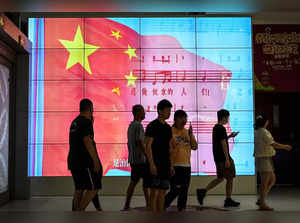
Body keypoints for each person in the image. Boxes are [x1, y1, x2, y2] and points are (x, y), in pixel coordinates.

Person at [196, 109, 240, 208]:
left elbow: (222, 140)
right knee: (229, 177)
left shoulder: (216, 128)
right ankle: (227, 199)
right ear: (224, 117)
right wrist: (227, 159)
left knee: (222, 178)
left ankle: (204, 191)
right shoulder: (221, 128)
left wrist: (229, 136)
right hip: (223, 158)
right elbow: (223, 143)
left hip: (218, 157)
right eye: (227, 117)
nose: (228, 119)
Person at [68, 98, 103, 211]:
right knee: (94, 187)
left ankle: (75, 212)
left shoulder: (75, 122)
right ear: (90, 109)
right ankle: (80, 211)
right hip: (84, 161)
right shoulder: (86, 122)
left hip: (73, 160)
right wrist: (95, 160)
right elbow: (87, 141)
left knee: (79, 188)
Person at [254, 114, 292, 211]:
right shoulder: (263, 132)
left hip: (264, 158)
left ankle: (261, 199)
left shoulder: (258, 131)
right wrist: (285, 147)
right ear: (265, 122)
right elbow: (273, 143)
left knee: (271, 179)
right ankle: (262, 203)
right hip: (264, 158)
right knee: (265, 182)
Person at [164, 110, 198, 211]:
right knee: (175, 189)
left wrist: (191, 135)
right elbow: (167, 149)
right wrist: (169, 165)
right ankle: (163, 204)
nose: (184, 121)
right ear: (176, 119)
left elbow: (194, 147)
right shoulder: (170, 131)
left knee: (184, 189)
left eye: (185, 118)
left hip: (186, 165)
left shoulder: (187, 132)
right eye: (182, 118)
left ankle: (181, 208)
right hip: (174, 165)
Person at [145, 99, 174, 213]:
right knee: (154, 191)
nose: (169, 113)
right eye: (167, 110)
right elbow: (148, 146)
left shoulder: (168, 128)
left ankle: (160, 215)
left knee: (163, 191)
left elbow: (169, 148)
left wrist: (171, 165)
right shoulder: (152, 126)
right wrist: (151, 164)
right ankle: (153, 216)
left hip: (165, 163)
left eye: (170, 111)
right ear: (160, 111)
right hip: (155, 163)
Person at [122, 105, 151, 211]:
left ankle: (126, 205)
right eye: (143, 111)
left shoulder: (131, 126)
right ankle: (149, 204)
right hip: (140, 160)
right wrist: (147, 155)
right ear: (138, 113)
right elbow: (140, 142)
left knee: (134, 182)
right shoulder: (138, 126)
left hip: (134, 159)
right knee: (146, 183)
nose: (145, 113)